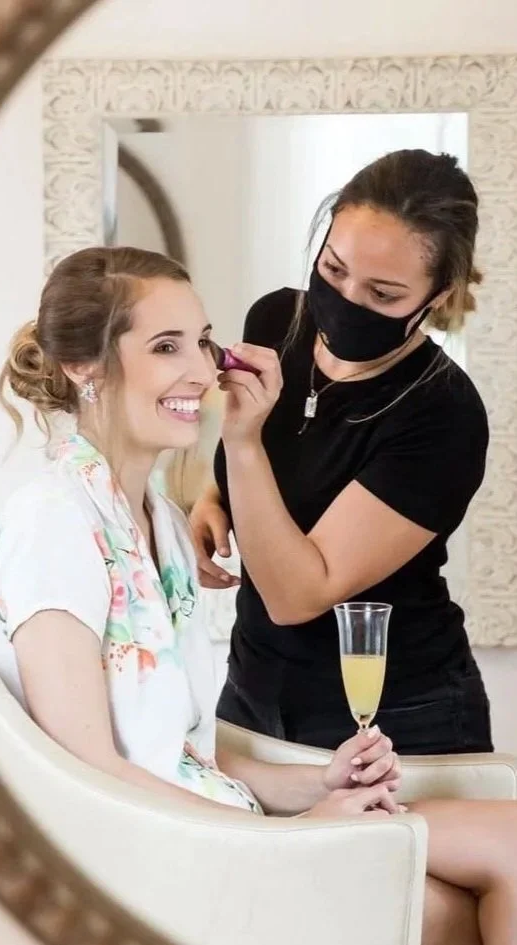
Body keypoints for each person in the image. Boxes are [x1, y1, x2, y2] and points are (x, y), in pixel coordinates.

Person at [0, 245, 516, 945]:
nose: (201, 371)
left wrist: (318, 784)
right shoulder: (54, 519)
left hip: (209, 825)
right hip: (163, 859)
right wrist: (294, 835)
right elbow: (91, 777)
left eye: (204, 343)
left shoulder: (158, 521)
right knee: (456, 898)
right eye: (165, 346)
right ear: (84, 365)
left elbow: (178, 748)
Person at [190, 148, 493, 756]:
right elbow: (275, 467)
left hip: (397, 713)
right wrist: (212, 497)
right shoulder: (277, 318)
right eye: (333, 269)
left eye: (382, 294)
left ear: (437, 296)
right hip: (252, 686)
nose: (347, 299)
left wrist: (241, 443)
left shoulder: (444, 415)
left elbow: (298, 594)